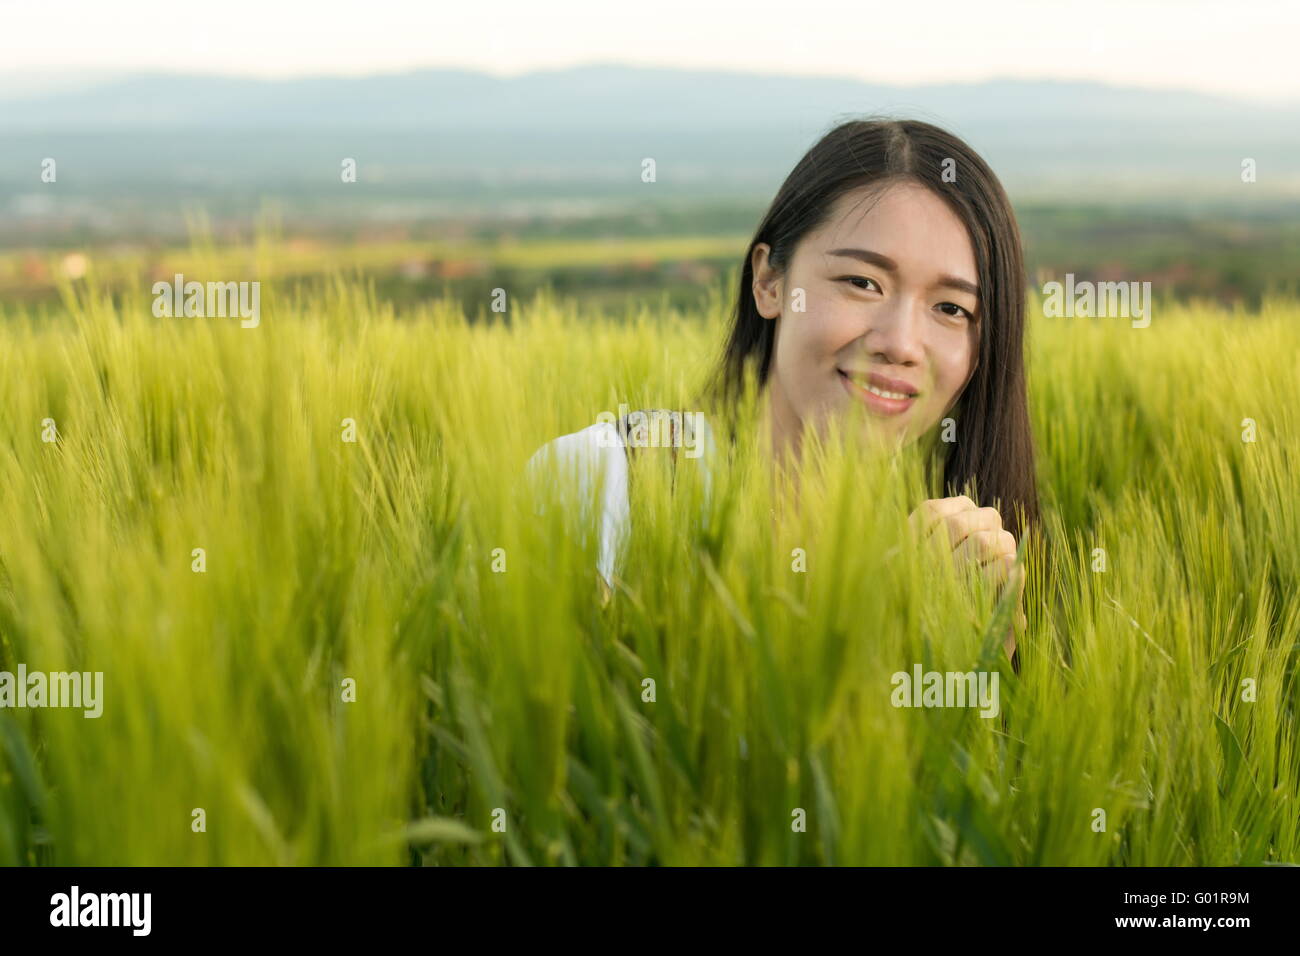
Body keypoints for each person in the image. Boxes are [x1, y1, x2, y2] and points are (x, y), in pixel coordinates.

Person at [528, 118, 1038, 666]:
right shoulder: (602, 482)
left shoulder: (967, 558)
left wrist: (980, 673)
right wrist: (869, 635)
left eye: (951, 309)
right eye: (862, 282)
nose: (901, 344)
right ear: (770, 282)